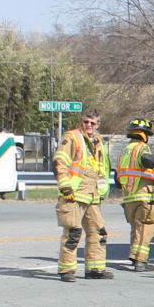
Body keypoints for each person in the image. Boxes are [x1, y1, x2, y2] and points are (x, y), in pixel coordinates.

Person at [53, 114, 114, 281]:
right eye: (86, 122)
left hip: (93, 195)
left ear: (97, 125)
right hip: (74, 193)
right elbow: (60, 162)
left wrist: (101, 191)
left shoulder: (98, 142)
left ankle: (95, 269)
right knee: (73, 232)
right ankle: (66, 270)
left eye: (92, 123)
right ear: (81, 122)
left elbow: (102, 169)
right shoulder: (72, 137)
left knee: (98, 232)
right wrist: (65, 186)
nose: (88, 125)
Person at [114, 118, 154, 272]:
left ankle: (134, 256)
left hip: (129, 198)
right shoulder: (141, 148)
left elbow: (117, 179)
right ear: (144, 135)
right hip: (144, 196)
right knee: (146, 227)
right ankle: (140, 261)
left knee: (137, 228)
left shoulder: (125, 152)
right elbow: (149, 160)